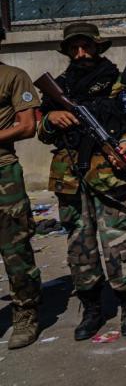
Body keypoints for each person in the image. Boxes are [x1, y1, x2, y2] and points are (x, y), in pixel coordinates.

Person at [38, 23, 126, 339]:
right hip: (71, 176)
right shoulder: (58, 87)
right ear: (68, 51)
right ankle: (93, 309)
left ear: (98, 47)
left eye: (86, 47)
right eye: (75, 48)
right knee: (79, 245)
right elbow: (41, 131)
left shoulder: (119, 83)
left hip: (111, 173)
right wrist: (51, 119)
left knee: (119, 241)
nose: (81, 53)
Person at [0, 27, 43, 349]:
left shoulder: (13, 77)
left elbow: (28, 126)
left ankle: (25, 313)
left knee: (15, 248)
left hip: (3, 173)